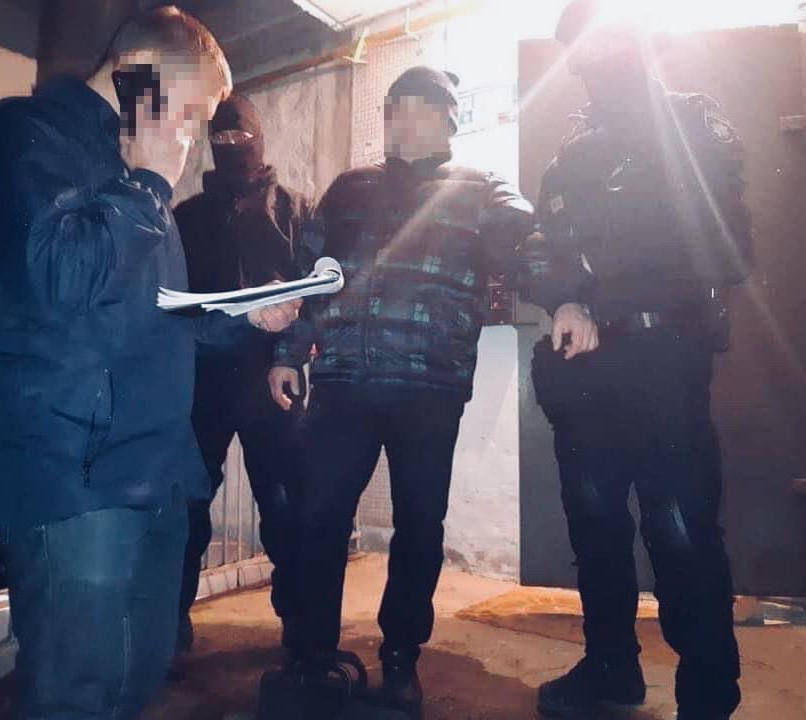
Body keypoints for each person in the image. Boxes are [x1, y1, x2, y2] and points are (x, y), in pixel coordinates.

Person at [0, 7, 300, 719]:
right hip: (76, 475)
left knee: (135, 679)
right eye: (191, 112)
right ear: (139, 76)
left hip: (155, 469)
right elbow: (57, 279)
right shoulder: (18, 135)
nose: (192, 137)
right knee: (76, 693)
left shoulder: (132, 174)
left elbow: (153, 318)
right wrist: (148, 187)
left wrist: (245, 320)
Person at [270, 66, 534, 717]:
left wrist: (564, 281)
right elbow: (312, 275)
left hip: (429, 387)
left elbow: (527, 238)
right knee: (318, 518)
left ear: (449, 118)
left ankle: (400, 658)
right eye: (394, 108)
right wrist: (286, 352)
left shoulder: (482, 188)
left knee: (419, 525)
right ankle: (311, 654)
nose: (402, 120)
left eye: (418, 107)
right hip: (342, 382)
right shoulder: (349, 189)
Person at [523, 2, 753, 719]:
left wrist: (602, 286)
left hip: (663, 360)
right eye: (581, 43)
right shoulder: (569, 153)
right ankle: (609, 670)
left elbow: (723, 246)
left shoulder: (690, 124)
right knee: (594, 526)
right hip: (585, 372)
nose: (595, 52)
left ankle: (707, 696)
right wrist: (565, 296)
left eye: (609, 34)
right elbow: (541, 246)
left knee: (680, 529)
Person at [173, 93, 311, 655]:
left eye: (241, 136)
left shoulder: (293, 209)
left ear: (259, 137)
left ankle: (299, 623)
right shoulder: (186, 217)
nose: (231, 146)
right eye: (221, 139)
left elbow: (314, 294)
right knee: (186, 503)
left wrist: (289, 355)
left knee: (285, 503)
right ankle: (171, 621)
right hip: (202, 379)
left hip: (270, 380)